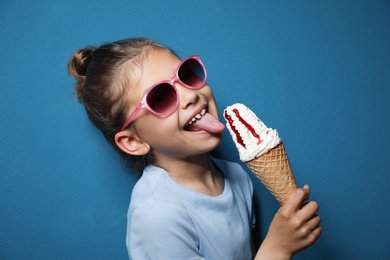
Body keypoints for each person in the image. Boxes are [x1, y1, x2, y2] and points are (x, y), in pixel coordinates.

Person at [67, 37, 322, 259]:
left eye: (186, 75)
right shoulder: (157, 216)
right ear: (134, 141)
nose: (191, 95)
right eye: (161, 97)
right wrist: (277, 250)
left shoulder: (236, 176)